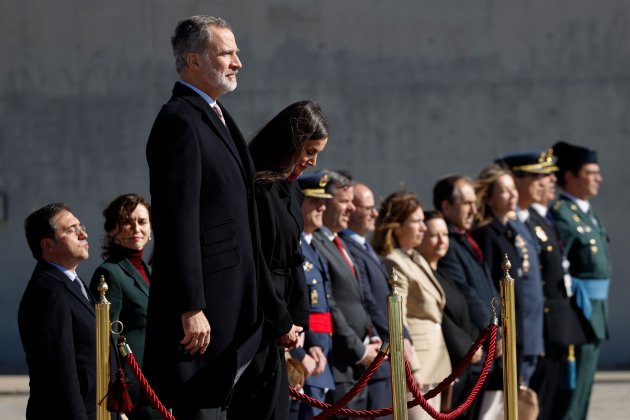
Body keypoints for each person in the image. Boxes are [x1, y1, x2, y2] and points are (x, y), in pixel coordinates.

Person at [144, 15, 263, 419]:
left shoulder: (217, 116)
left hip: (238, 304)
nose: (237, 62)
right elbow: (178, 222)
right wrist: (190, 305)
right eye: (226, 53)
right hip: (205, 313)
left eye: (237, 52)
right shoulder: (179, 121)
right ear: (194, 60)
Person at [229, 100, 329, 419]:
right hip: (258, 319)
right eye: (309, 151)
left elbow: (294, 257)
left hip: (282, 323)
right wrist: (280, 320)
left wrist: (298, 317)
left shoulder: (291, 191)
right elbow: (257, 262)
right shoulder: (258, 190)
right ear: (290, 144)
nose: (312, 162)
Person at [496, 150, 588, 419]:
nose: (545, 182)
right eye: (535, 177)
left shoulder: (529, 221)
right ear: (516, 180)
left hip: (541, 329)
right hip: (529, 329)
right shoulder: (511, 223)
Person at [373, 192, 451, 418]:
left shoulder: (414, 258)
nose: (423, 228)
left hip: (435, 363)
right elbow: (400, 317)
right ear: (396, 226)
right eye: (416, 222)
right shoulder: (393, 261)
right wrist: (412, 367)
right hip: (418, 364)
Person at [549, 141, 610, 420]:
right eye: (591, 172)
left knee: (583, 392)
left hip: (595, 311)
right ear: (571, 176)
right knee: (569, 398)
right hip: (579, 311)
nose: (598, 178)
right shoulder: (561, 213)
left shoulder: (587, 214)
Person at [310, 170, 379, 419]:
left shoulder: (341, 244)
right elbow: (330, 304)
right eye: (345, 202)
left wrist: (372, 337)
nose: (351, 208)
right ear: (324, 203)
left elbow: (361, 300)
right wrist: (359, 350)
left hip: (358, 365)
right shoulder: (314, 244)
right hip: (341, 362)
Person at [18, 203, 97, 419]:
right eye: (71, 230)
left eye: (81, 226)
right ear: (47, 244)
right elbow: (61, 374)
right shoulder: (47, 292)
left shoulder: (72, 281)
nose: (83, 234)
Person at [472, 165, 544, 387]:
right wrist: (498, 326)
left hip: (518, 320)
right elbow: (488, 284)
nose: (513, 194)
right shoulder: (486, 233)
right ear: (489, 198)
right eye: (504, 190)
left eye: (513, 188)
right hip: (503, 323)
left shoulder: (509, 230)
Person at [89, 194, 159, 420]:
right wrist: (115, 394)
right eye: (127, 222)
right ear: (112, 230)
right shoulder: (109, 272)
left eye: (142, 221)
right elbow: (106, 340)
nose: (135, 228)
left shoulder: (148, 272)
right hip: (132, 389)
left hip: (154, 383)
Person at [417, 210, 483, 415]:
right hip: (446, 364)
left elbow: (463, 313)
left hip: (464, 365)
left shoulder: (443, 274)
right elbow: (440, 319)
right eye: (434, 235)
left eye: (445, 235)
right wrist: (468, 348)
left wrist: (477, 341)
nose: (441, 240)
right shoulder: (420, 277)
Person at [290, 172, 336, 420]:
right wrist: (301, 354)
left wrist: (318, 345)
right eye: (314, 201)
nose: (322, 207)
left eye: (324, 201)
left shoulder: (313, 245)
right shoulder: (293, 244)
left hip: (317, 357)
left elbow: (319, 308)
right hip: (299, 360)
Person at [433, 176, 499, 332]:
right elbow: (465, 293)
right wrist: (491, 329)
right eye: (467, 204)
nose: (474, 211)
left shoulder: (467, 238)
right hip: (476, 336)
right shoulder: (445, 244)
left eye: (474, 203)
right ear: (446, 206)